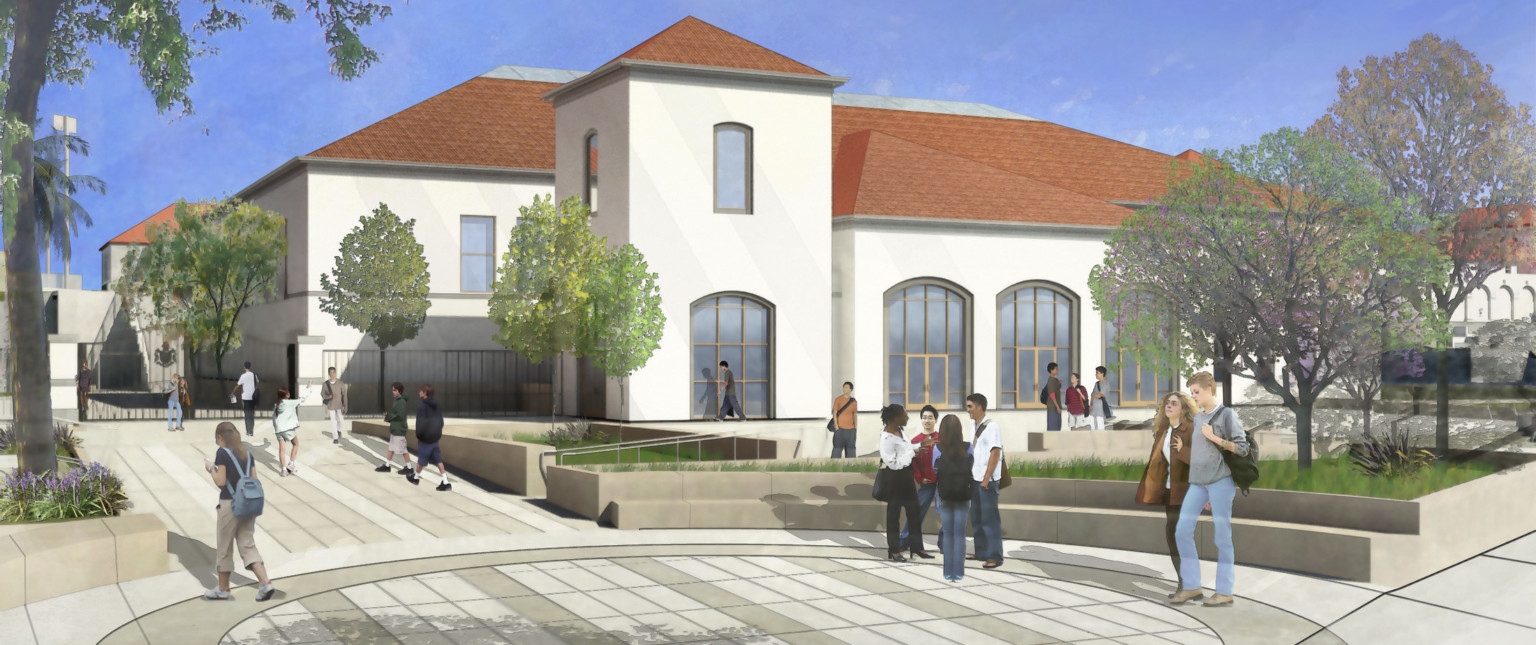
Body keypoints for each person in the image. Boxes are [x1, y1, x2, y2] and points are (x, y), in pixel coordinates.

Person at [1171, 371, 1250, 608]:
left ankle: (1225, 591)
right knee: (1182, 531)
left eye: (1196, 392)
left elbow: (1243, 448)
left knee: (1222, 537)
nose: (1193, 396)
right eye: (1192, 392)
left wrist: (1215, 438)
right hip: (1199, 484)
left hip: (1220, 482)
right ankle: (1193, 585)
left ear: (1209, 390)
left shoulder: (1226, 414)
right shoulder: (1197, 419)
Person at [202, 421, 276, 601]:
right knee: (247, 544)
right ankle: (265, 583)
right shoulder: (247, 454)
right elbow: (254, 479)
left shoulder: (222, 453)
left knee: (225, 547)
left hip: (230, 504)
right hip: (248, 506)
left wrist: (211, 468)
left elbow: (220, 481)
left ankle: (223, 589)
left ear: (220, 437)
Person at [1135, 391, 1196, 597]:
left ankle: (1188, 585)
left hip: (1188, 491)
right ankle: (1186, 583)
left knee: (1180, 535)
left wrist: (1184, 451)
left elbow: (1206, 459)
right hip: (1171, 491)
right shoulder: (1164, 431)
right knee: (1173, 535)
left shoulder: (1191, 429)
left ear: (1184, 409)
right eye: (1167, 403)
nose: (1169, 406)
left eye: (1174, 403)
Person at [877, 404, 922, 562]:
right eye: (904, 415)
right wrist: (913, 453)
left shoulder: (900, 431)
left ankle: (917, 547)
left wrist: (921, 446)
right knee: (893, 515)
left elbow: (906, 449)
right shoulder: (886, 438)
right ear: (895, 418)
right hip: (894, 478)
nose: (907, 417)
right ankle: (894, 550)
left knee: (914, 511)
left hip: (906, 476)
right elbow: (893, 463)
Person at [966, 393, 1004, 569]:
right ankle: (981, 552)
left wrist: (987, 478)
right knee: (977, 518)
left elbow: (995, 452)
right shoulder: (973, 426)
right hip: (975, 479)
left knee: (990, 519)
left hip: (986, 481)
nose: (968, 410)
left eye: (970, 406)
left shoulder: (992, 426)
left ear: (979, 407)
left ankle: (995, 556)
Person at [933, 414, 973, 581]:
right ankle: (959, 573)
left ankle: (948, 573)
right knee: (959, 534)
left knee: (948, 534)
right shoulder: (968, 447)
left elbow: (934, 469)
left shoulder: (937, 448)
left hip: (944, 494)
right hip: (963, 495)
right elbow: (972, 466)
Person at [900, 405, 939, 557]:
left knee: (948, 514)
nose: (927, 420)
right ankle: (903, 541)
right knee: (916, 513)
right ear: (921, 420)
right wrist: (919, 478)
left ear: (935, 420)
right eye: (924, 417)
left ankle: (943, 543)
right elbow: (912, 463)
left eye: (930, 417)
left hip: (942, 483)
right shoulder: (915, 441)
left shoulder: (941, 438)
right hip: (927, 483)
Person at [404, 384, 451, 491]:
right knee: (438, 460)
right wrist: (436, 433)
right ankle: (445, 482)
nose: (419, 393)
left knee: (422, 459)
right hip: (435, 438)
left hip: (425, 439)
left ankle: (415, 478)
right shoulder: (437, 405)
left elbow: (420, 423)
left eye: (420, 391)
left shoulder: (422, 406)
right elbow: (441, 422)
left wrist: (419, 435)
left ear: (425, 393)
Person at [272, 381, 315, 477]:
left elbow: (274, 418)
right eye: (288, 392)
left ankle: (283, 470)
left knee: (281, 450)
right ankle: (291, 463)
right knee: (295, 444)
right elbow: (302, 399)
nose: (289, 393)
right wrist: (308, 388)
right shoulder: (290, 403)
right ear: (286, 395)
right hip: (288, 429)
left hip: (279, 430)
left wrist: (276, 429)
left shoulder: (276, 405)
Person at [376, 382, 416, 474]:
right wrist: (388, 417)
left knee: (403, 450)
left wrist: (389, 416)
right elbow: (396, 416)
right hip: (395, 429)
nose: (393, 392)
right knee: (391, 448)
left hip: (399, 430)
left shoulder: (401, 402)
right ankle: (387, 465)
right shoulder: (397, 401)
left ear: (400, 391)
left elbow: (400, 416)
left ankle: (409, 468)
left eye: (395, 390)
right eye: (392, 390)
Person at [321, 367, 349, 444]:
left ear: (335, 373)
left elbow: (345, 396)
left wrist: (346, 406)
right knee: (333, 421)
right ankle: (335, 437)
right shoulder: (326, 384)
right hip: (331, 405)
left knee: (340, 420)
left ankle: (339, 430)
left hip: (339, 405)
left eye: (333, 372)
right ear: (329, 373)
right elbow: (322, 393)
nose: (332, 374)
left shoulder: (341, 384)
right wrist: (327, 397)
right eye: (330, 372)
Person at [231, 362, 259, 437]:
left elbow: (238, 385)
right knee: (251, 415)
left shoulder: (243, 376)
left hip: (245, 398)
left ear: (244, 367)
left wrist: (233, 392)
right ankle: (251, 431)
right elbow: (257, 384)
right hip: (252, 397)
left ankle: (248, 431)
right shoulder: (254, 375)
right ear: (250, 366)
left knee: (247, 415)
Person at [831, 382, 858, 458]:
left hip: (851, 430)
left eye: (846, 387)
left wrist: (855, 427)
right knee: (837, 450)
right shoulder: (838, 399)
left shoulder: (853, 401)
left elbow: (854, 414)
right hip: (840, 429)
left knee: (851, 451)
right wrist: (836, 426)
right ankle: (834, 467)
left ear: (850, 389)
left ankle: (851, 468)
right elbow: (835, 413)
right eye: (844, 387)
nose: (844, 389)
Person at [1090, 366, 1112, 431]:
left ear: (1102, 373)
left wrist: (1094, 395)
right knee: (1093, 427)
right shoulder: (1096, 384)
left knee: (1100, 427)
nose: (1096, 374)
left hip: (1100, 409)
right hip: (1093, 409)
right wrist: (1090, 405)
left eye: (1097, 373)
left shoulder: (1105, 384)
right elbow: (1092, 395)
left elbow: (1100, 395)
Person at [1044, 362, 1063, 431]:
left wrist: (1060, 383)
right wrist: (1057, 406)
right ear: (1051, 370)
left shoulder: (1055, 379)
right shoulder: (1051, 381)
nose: (1057, 370)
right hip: (1053, 407)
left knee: (1058, 425)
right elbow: (1052, 394)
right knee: (1053, 426)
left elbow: (1057, 389)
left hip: (1056, 406)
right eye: (1056, 369)